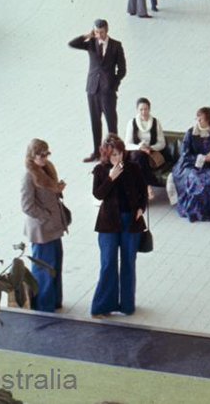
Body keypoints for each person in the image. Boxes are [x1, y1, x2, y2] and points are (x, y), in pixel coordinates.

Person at [91, 136, 147, 318]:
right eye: (113, 155)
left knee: (128, 263)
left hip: (131, 221)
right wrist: (110, 178)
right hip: (108, 222)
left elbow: (142, 191)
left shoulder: (133, 168)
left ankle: (127, 305)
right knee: (108, 263)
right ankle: (102, 306)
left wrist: (141, 208)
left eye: (120, 154)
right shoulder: (100, 170)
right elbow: (98, 195)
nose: (117, 158)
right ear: (106, 155)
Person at [69, 19, 128, 162]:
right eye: (96, 32)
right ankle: (96, 152)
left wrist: (113, 85)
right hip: (93, 89)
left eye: (101, 32)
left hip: (107, 92)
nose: (99, 35)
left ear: (107, 30)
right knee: (95, 121)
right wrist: (86, 36)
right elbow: (72, 44)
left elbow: (122, 69)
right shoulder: (90, 43)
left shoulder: (116, 46)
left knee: (111, 123)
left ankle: (114, 153)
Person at [20, 138, 67, 313]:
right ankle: (43, 306)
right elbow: (27, 205)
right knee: (44, 270)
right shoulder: (29, 176)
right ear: (32, 156)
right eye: (41, 155)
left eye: (47, 154)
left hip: (54, 227)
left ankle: (54, 301)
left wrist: (58, 190)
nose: (45, 158)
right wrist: (45, 216)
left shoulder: (47, 168)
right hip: (42, 230)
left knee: (56, 265)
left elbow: (50, 191)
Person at [172, 107, 210, 222]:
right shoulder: (190, 133)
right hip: (190, 165)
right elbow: (185, 154)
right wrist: (202, 158)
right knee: (196, 180)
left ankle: (204, 209)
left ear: (208, 120)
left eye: (201, 119)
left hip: (207, 167)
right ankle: (193, 211)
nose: (198, 121)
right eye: (197, 118)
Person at [126, 98, 165, 197]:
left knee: (139, 158)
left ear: (149, 109)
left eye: (146, 109)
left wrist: (150, 148)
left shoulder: (155, 122)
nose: (143, 112)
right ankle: (148, 185)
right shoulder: (132, 122)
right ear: (137, 110)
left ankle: (146, 187)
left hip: (151, 153)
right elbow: (127, 144)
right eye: (141, 109)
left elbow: (162, 143)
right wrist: (139, 147)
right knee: (138, 156)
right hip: (137, 152)